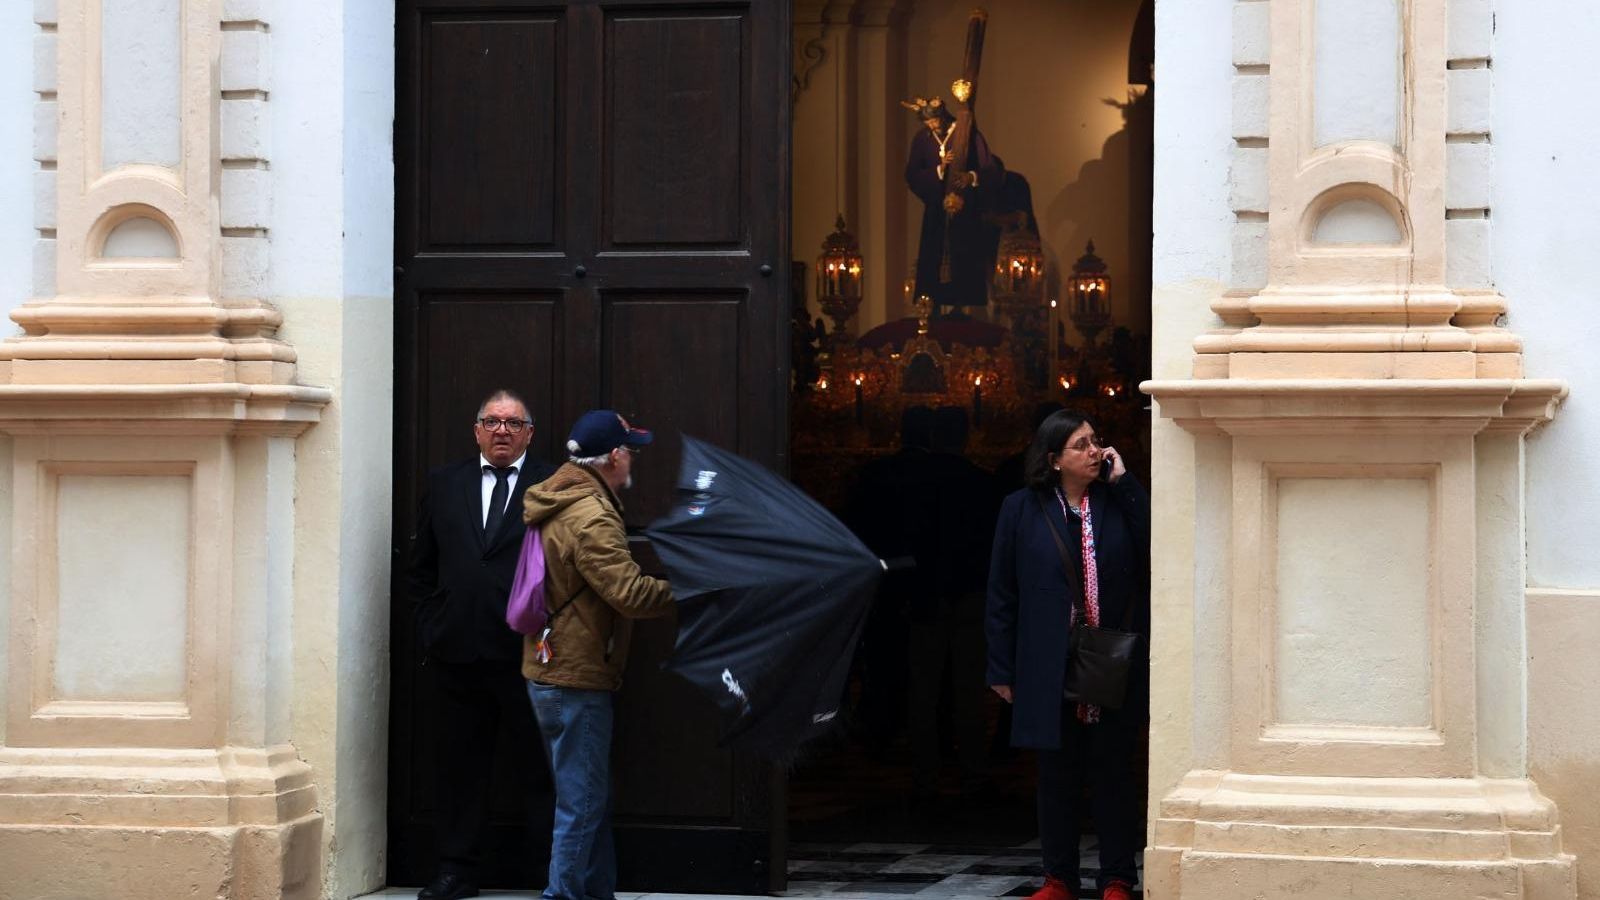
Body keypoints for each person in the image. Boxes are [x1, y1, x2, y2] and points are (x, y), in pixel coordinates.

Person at [986, 411, 1150, 900]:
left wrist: (1127, 484)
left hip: (1109, 661)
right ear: (1054, 458)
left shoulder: (1117, 504)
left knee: (1113, 774)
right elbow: (1001, 592)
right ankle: (1058, 878)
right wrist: (1001, 666)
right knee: (1056, 775)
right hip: (1046, 662)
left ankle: (1118, 877)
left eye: (1096, 441)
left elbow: (1155, 547)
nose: (1094, 451)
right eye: (1081, 445)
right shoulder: (1021, 509)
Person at [407, 389, 558, 900]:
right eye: (491, 422)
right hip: (458, 652)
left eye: (513, 424)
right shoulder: (445, 483)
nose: (501, 431)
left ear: (529, 434)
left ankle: (550, 871)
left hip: (529, 654)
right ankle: (456, 870)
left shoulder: (553, 483)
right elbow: (421, 567)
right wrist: (433, 623)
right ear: (476, 430)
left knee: (539, 767)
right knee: (459, 768)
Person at [521, 409, 675, 900]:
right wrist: (693, 588)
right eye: (631, 452)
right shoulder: (590, 515)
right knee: (582, 804)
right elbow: (629, 594)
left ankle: (594, 893)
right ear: (613, 457)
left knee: (587, 798)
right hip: (576, 677)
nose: (633, 461)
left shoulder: (561, 496)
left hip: (551, 668)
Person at [904, 96, 1004, 310]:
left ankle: (961, 306)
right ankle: (934, 306)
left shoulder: (967, 134)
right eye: (927, 123)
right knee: (934, 257)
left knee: (964, 257)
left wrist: (971, 177)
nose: (932, 126)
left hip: (965, 211)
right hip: (936, 211)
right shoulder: (922, 139)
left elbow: (992, 170)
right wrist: (939, 170)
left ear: (942, 116)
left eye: (935, 121)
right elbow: (912, 175)